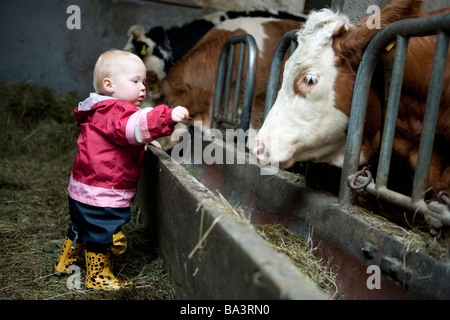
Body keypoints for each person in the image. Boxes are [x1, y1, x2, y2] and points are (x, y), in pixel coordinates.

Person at [53, 49, 189, 291]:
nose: (143, 87)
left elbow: (119, 138)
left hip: (83, 189)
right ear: (109, 85)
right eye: (135, 81)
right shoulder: (115, 111)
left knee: (80, 225)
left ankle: (67, 261)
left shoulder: (98, 109)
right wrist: (167, 117)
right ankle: (97, 276)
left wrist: (143, 141)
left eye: (144, 81)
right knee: (102, 233)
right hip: (103, 193)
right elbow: (132, 126)